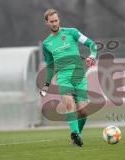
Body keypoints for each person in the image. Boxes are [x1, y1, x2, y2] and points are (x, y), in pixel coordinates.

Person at [40, 8, 97, 147]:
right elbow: (50, 66)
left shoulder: (72, 32)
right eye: (51, 21)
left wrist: (92, 56)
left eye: (56, 20)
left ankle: (77, 134)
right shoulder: (46, 44)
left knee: (83, 110)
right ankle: (75, 134)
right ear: (47, 23)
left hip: (78, 75)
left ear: (59, 20)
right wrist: (46, 85)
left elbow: (92, 44)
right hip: (63, 77)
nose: (55, 23)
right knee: (69, 105)